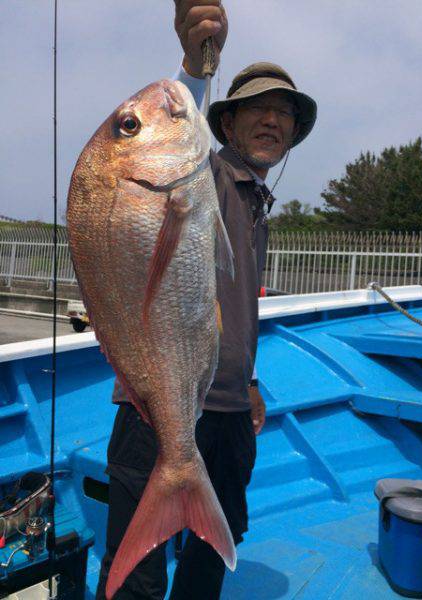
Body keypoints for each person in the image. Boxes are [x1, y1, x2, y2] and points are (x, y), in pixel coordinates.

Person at [96, 1, 317, 598]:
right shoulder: (204, 176)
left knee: (211, 558)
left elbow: (235, 308)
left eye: (284, 114)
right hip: (157, 406)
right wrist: (196, 60)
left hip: (227, 411)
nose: (272, 121)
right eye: (258, 110)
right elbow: (163, 140)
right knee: (135, 575)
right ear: (225, 125)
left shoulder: (255, 201)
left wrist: (247, 382)